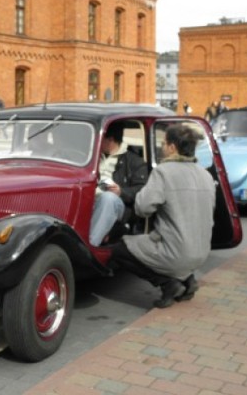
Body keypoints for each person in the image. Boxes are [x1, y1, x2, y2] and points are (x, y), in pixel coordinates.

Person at [110, 124, 216, 308]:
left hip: (177, 253)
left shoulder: (163, 172)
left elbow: (142, 208)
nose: (162, 147)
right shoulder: (205, 174)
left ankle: (168, 284)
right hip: (201, 252)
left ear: (172, 147)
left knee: (119, 250)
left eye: (164, 143)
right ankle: (187, 280)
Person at [89, 123, 149, 246]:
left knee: (108, 198)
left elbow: (143, 190)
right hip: (90, 198)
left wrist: (121, 191)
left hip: (118, 204)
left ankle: (91, 246)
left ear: (110, 140)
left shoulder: (134, 161)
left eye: (99, 139)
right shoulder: (91, 155)